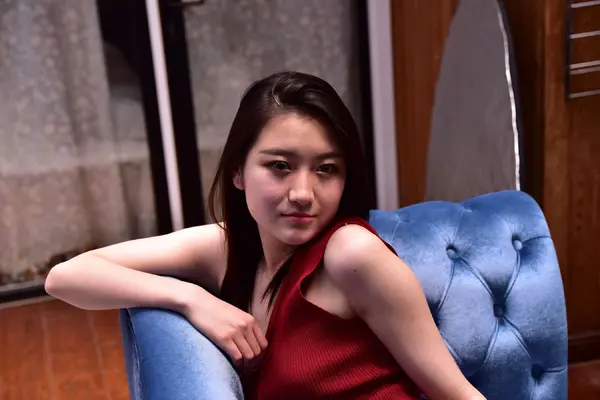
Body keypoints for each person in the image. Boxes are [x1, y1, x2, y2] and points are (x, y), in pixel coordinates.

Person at [45, 71, 485, 400]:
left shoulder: (351, 254)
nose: (302, 193)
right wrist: (191, 299)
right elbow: (66, 277)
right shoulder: (227, 249)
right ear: (238, 171)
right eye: (279, 166)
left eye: (326, 169)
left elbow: (457, 394)